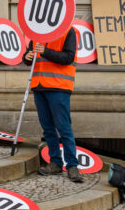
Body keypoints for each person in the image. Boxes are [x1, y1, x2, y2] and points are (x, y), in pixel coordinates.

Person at [23, 27, 83, 183]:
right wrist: (27, 57)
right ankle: (55, 162)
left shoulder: (69, 31)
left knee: (64, 128)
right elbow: (30, 57)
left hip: (59, 86)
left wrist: (45, 51)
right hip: (39, 85)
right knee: (48, 128)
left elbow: (68, 57)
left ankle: (72, 165)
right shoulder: (37, 32)